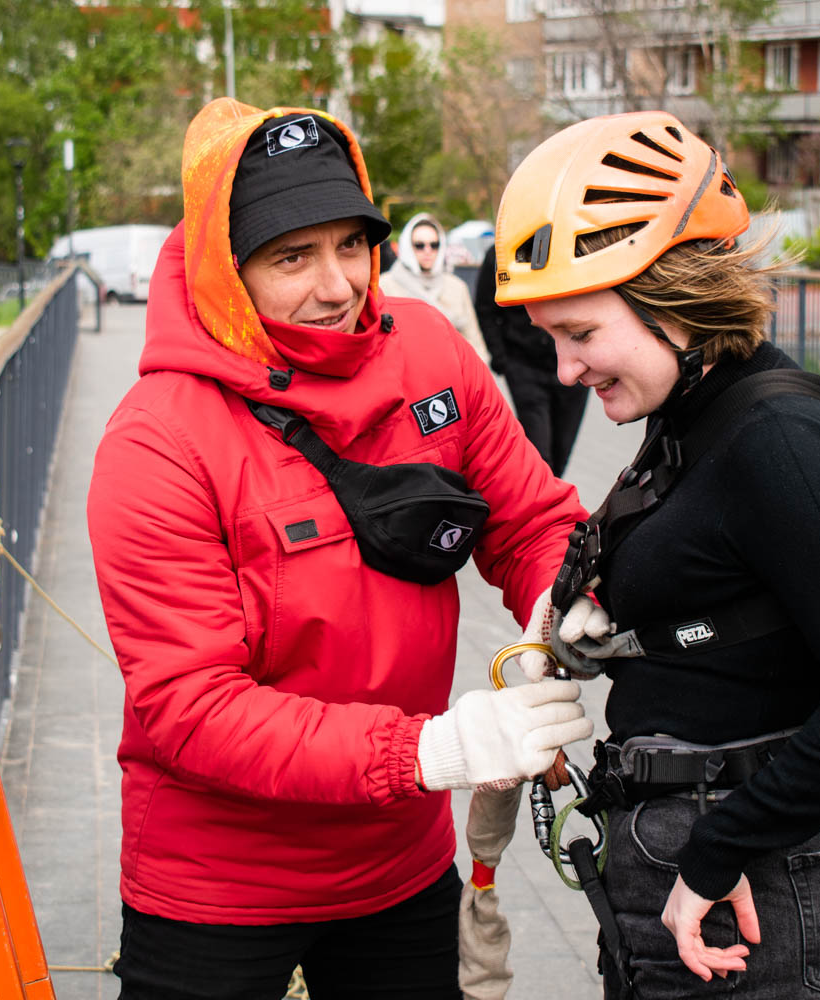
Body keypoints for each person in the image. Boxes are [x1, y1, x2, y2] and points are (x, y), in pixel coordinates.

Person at [87, 98, 610, 999]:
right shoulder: (156, 442)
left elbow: (530, 522)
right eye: (292, 256)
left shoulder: (433, 356)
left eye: (352, 245)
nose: (338, 286)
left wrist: (557, 612)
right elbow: (192, 707)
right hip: (218, 889)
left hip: (396, 871)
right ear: (225, 268)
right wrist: (429, 753)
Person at [494, 111, 820, 997]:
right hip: (689, 871)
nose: (565, 371)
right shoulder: (695, 413)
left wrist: (714, 852)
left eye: (581, 333)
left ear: (673, 299)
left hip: (750, 903)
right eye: (551, 338)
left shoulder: (779, 438)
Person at [475, 243, 588, 476]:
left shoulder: (572, 240)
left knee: (562, 449)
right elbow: (485, 308)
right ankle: (543, 505)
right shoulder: (500, 252)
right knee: (539, 452)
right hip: (524, 367)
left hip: (573, 366)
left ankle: (552, 501)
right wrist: (501, 359)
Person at [380, 212, 488, 363]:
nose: (428, 250)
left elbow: (474, 339)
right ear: (407, 246)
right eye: (419, 245)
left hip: (454, 372)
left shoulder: (457, 286)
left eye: (434, 245)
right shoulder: (385, 286)